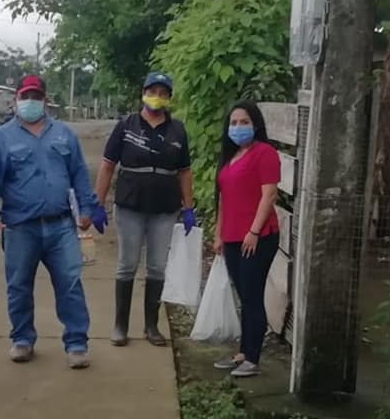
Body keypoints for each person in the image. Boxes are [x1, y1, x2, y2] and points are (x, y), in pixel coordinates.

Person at [0, 75, 98, 369]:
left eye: (36, 96)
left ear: (45, 100)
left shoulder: (64, 135)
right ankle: (22, 339)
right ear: (16, 99)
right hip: (20, 226)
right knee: (19, 285)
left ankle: (76, 343)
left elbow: (79, 174)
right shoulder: (1, 138)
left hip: (61, 226)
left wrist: (86, 209)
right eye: (25, 96)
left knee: (70, 283)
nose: (30, 101)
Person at [93, 72, 195, 346]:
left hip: (165, 208)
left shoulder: (177, 130)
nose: (156, 97)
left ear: (169, 98)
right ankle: (120, 326)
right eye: (152, 91)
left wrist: (188, 208)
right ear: (143, 93)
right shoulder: (126, 126)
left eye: (163, 93)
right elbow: (107, 165)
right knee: (127, 264)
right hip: (130, 205)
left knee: (157, 267)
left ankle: (151, 326)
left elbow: (185, 171)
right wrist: (98, 203)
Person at [212, 101, 281, 378]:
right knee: (243, 295)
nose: (238, 127)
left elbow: (269, 194)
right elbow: (223, 200)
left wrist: (253, 232)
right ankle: (243, 352)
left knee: (252, 295)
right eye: (233, 123)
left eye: (244, 122)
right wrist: (218, 234)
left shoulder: (264, 153)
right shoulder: (230, 157)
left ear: (255, 124)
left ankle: (253, 358)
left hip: (258, 236)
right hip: (231, 236)